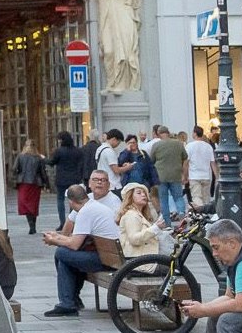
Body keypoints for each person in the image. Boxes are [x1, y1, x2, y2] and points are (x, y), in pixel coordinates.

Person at [39, 185, 121, 318]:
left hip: (105, 260)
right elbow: (76, 239)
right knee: (64, 258)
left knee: (61, 253)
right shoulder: (92, 206)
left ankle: (69, 302)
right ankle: (69, 302)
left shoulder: (85, 212)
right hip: (108, 255)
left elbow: (74, 244)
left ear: (70, 201)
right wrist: (57, 236)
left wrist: (54, 241)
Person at [47, 132, 88, 229]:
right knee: (73, 200)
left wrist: (43, 159)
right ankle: (72, 220)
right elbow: (81, 164)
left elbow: (52, 162)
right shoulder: (78, 151)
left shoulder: (59, 151)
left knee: (60, 200)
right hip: (74, 178)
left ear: (61, 140)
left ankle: (62, 222)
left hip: (61, 178)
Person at [116, 183, 162, 259]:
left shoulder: (139, 214)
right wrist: (155, 228)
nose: (143, 195)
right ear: (130, 197)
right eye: (139, 193)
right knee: (174, 269)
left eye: (144, 193)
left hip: (143, 258)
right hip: (138, 262)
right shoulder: (131, 215)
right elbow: (134, 239)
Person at [151, 126, 188, 218]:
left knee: (163, 199)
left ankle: (166, 221)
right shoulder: (179, 144)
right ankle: (181, 212)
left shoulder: (156, 145)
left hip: (161, 176)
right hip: (175, 175)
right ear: (168, 132)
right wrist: (184, 174)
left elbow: (152, 160)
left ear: (159, 134)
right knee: (178, 197)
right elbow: (185, 157)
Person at [11, 140, 48, 235]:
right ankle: (33, 225)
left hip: (23, 182)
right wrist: (46, 183)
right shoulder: (38, 158)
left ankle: (31, 225)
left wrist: (16, 177)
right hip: (35, 183)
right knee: (33, 204)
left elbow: (14, 169)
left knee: (25, 204)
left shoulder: (20, 156)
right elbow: (43, 172)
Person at [186, 126, 217, 208]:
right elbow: (213, 163)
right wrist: (217, 176)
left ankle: (200, 212)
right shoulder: (208, 147)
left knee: (196, 197)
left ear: (195, 133)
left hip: (194, 176)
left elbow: (186, 162)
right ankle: (206, 214)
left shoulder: (189, 146)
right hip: (206, 176)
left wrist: (185, 175)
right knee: (206, 198)